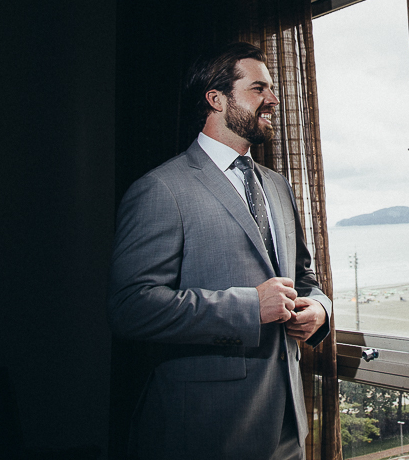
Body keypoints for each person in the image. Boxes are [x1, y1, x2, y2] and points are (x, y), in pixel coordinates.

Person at [108, 42, 331, 460]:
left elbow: (305, 279)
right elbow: (130, 307)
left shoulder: (278, 186)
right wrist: (250, 308)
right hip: (205, 431)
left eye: (272, 88)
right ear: (216, 99)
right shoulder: (161, 189)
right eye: (258, 88)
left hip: (287, 425)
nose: (273, 99)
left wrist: (320, 310)